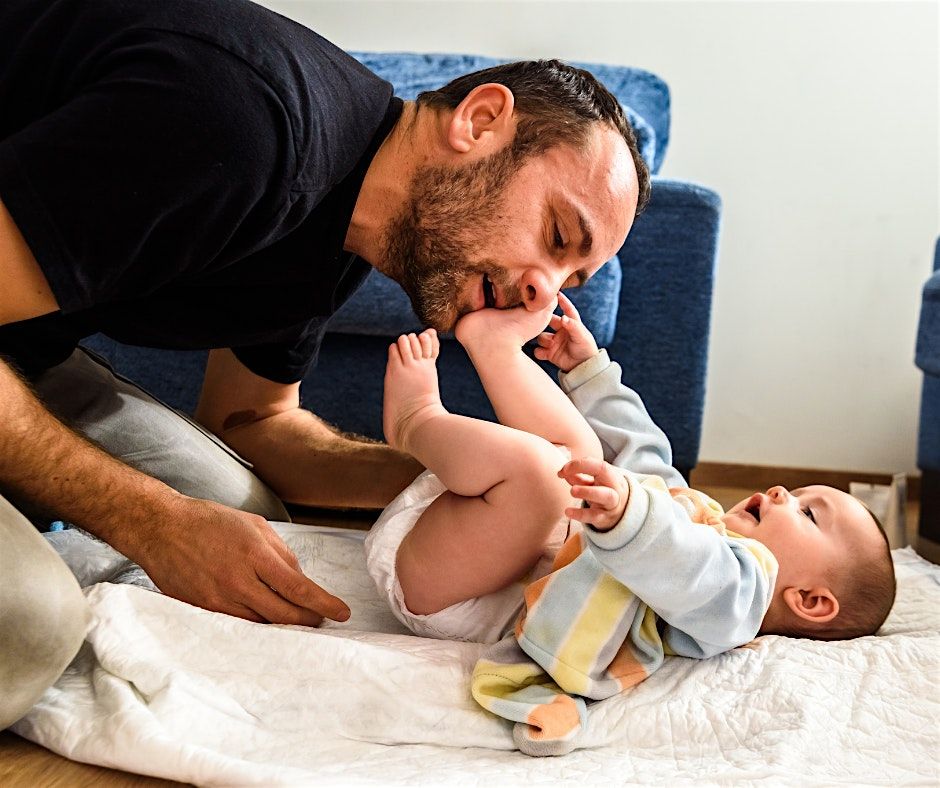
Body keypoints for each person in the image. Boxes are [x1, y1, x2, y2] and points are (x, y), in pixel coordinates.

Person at [0, 0, 650, 727]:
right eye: (558, 234)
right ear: (480, 121)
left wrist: (497, 483)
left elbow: (254, 422)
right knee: (26, 632)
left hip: (21, 346)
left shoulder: (352, 225)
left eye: (571, 282)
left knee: (246, 514)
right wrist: (149, 518)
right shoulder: (243, 124)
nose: (544, 291)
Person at [367, 293, 897, 755]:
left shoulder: (732, 605)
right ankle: (495, 350)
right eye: (799, 492)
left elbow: (691, 568)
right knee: (583, 456)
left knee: (547, 479)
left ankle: (414, 420)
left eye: (807, 513)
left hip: (453, 590)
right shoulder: (697, 518)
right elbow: (645, 451)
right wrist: (589, 373)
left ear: (810, 600)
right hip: (471, 524)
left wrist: (630, 515)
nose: (784, 492)